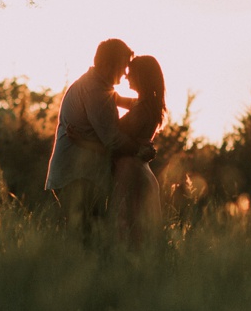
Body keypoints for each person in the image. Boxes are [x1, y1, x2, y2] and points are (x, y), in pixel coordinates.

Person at [44, 39, 145, 238]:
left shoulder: (98, 86)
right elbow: (112, 140)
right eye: (123, 66)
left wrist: (149, 103)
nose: (125, 73)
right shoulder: (94, 90)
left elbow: (123, 101)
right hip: (78, 175)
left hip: (80, 174)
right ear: (109, 65)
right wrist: (139, 148)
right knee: (87, 237)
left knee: (87, 236)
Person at [110, 55, 165, 247]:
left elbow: (113, 134)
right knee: (136, 226)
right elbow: (114, 98)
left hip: (131, 171)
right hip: (138, 170)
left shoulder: (142, 108)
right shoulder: (146, 103)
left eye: (130, 73)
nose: (126, 77)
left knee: (129, 224)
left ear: (141, 76)